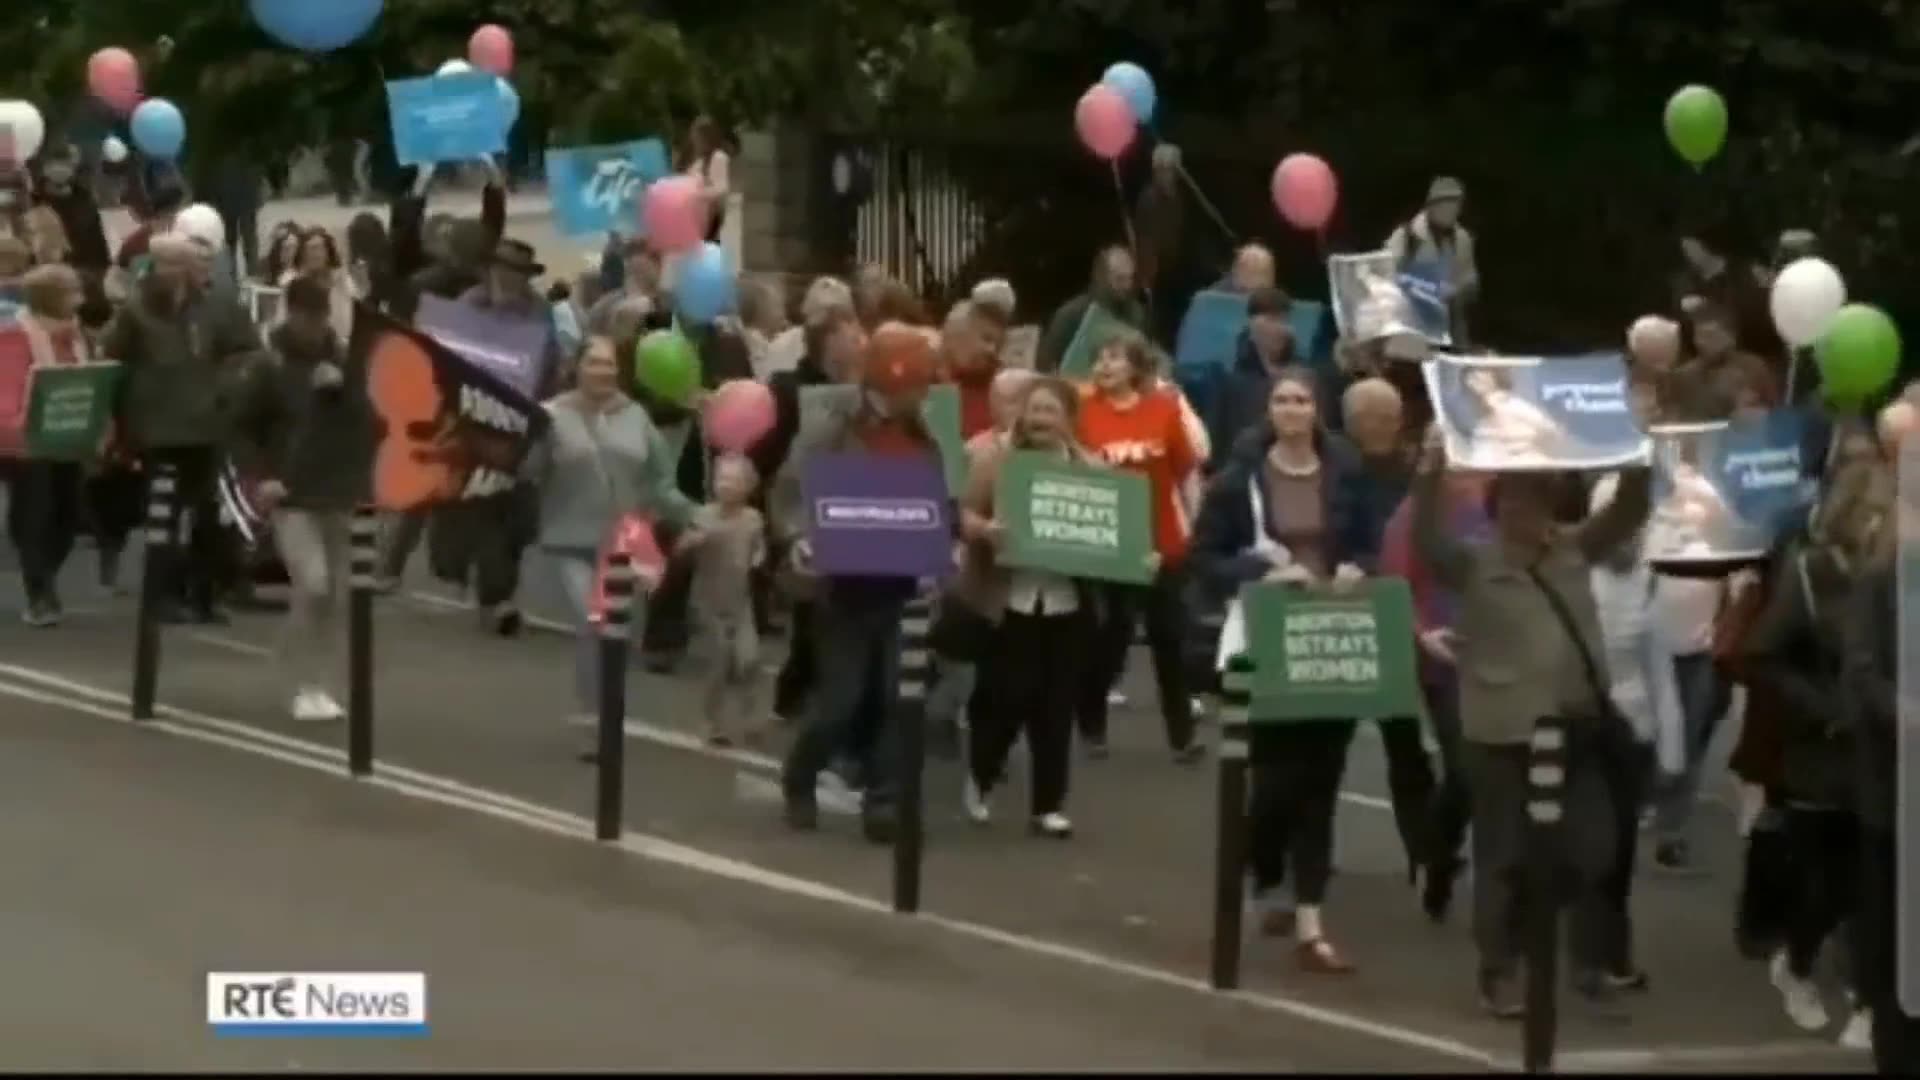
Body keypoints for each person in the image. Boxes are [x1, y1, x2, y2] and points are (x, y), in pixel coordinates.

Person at [1411, 422, 1652, 1018]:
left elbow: (1628, 511)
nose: (1530, 512)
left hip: (1578, 728)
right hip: (1502, 733)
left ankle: (1554, 937)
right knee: (1504, 854)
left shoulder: (1574, 547)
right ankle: (1500, 969)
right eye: (1518, 502)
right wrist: (1430, 471)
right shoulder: (1474, 563)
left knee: (1594, 849)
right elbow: (1426, 538)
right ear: (1497, 511)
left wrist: (1637, 457)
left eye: (1540, 501)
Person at [1188, 366, 1379, 972]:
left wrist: (1356, 568)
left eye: (1302, 399)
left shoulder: (1346, 470)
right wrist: (1262, 572)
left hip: (1333, 634)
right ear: (1268, 410)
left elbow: (1372, 542)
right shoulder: (1240, 477)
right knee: (1273, 783)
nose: (1292, 409)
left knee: (1322, 780)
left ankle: (1310, 922)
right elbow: (1204, 557)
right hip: (1269, 633)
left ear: (1317, 409)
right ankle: (1263, 874)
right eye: (1282, 399)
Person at [769, 322, 942, 842]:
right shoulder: (832, 431)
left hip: (900, 587)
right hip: (843, 589)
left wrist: (939, 552)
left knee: (897, 696)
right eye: (918, 384)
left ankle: (883, 799)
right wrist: (800, 536)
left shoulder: (923, 440)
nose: (925, 394)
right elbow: (791, 490)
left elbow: (934, 504)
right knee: (840, 701)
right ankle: (800, 778)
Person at [1741, 459, 1886, 1039]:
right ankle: (1796, 963)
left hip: (1877, 752)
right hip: (1820, 755)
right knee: (1825, 884)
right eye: (1875, 513)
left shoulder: (1896, 575)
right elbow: (1762, 654)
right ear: (1851, 514)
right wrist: (1821, 708)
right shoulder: (1809, 575)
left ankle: (1867, 994)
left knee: (1866, 881)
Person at [954, 376, 1104, 837]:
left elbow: (1112, 530)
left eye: (1050, 411)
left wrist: (1140, 555)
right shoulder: (995, 459)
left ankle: (1048, 805)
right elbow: (959, 512)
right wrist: (984, 530)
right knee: (1006, 700)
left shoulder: (1090, 468)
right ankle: (980, 779)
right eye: (1034, 410)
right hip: (1010, 601)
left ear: (1068, 420)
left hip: (1065, 604)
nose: (1040, 419)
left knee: (1057, 709)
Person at [522, 334, 694, 726]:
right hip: (568, 539)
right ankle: (591, 713)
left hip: (623, 545)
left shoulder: (636, 416)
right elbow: (527, 469)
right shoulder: (550, 416)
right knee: (593, 620)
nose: (603, 371)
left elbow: (660, 481)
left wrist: (694, 517)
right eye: (594, 363)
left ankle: (607, 707)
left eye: (610, 364)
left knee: (617, 633)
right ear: (577, 368)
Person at [227, 273, 372, 721]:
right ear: (290, 312)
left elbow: (368, 422)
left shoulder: (345, 359)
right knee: (312, 582)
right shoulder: (268, 364)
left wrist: (344, 390)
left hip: (336, 485)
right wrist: (261, 477)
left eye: (322, 314)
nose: (315, 324)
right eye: (307, 315)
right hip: (290, 489)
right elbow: (239, 427)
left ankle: (318, 683)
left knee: (334, 594)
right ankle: (296, 677)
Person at [101, 233, 263, 624]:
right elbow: (111, 355)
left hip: (207, 426)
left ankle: (204, 594)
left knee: (209, 516)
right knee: (164, 517)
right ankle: (162, 596)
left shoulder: (216, 307)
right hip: (158, 429)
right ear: (155, 266)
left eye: (188, 264)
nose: (181, 272)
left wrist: (228, 387)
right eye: (171, 264)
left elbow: (248, 352)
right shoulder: (137, 310)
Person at [1074, 331, 1202, 761]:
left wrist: (1192, 528)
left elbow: (1187, 473)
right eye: (1099, 359)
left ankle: (1182, 737)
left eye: (1114, 358)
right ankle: (1091, 720)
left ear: (1135, 366)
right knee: (1111, 637)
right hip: (1108, 548)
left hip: (1164, 542)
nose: (1104, 366)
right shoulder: (1082, 413)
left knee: (1170, 639)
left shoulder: (1163, 410)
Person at [1378, 447, 1489, 920]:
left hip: (1505, 656)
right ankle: (1438, 858)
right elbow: (1396, 581)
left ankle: (1441, 857)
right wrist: (1424, 634)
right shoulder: (1417, 510)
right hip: (1445, 659)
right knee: (1464, 770)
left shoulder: (1502, 495)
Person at [753, 304, 865, 725]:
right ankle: (800, 692)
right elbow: (771, 446)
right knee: (811, 607)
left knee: (831, 612)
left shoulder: (865, 388)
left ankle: (809, 691)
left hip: (850, 508)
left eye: (859, 336)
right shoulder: (789, 387)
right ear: (825, 342)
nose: (857, 343)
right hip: (798, 503)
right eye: (848, 335)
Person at [1843, 498, 1920, 1072]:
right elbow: (1863, 672)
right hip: (1893, 794)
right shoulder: (1880, 583)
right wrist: (1908, 717)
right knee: (1894, 939)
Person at [4, 263, 95, 625]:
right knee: (34, 515)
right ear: (51, 298)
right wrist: (21, 429)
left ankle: (46, 577)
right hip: (27, 443)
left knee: (67, 515)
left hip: (68, 438)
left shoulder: (76, 336)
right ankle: (39, 593)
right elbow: (7, 392)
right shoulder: (15, 335)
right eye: (73, 291)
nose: (81, 298)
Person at [678, 452, 767, 747]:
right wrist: (691, 543)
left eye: (734, 480)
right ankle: (711, 721)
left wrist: (758, 558)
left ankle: (751, 715)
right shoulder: (703, 516)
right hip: (708, 602)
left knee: (749, 658)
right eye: (721, 479)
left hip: (740, 602)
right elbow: (681, 550)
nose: (726, 485)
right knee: (719, 665)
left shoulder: (753, 519)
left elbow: (759, 547)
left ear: (749, 486)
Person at [1206, 286, 1299, 465]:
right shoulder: (1229, 377)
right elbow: (1217, 438)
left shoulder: (1302, 375)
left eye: (1283, 321)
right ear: (1251, 324)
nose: (1279, 328)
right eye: (1271, 320)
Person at [1385, 177, 1479, 345]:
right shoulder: (1407, 236)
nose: (1451, 210)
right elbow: (1384, 278)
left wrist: (1457, 291)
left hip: (1448, 330)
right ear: (1431, 206)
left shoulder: (1462, 238)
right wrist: (1421, 288)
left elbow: (1470, 282)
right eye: (1445, 204)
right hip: (1410, 327)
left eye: (1456, 205)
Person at [1038, 246, 1147, 373]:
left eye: (1130, 278)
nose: (1127, 286)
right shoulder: (1071, 314)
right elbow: (1046, 361)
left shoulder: (1135, 313)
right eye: (1119, 279)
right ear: (1101, 277)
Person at [586, 238, 670, 337]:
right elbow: (594, 345)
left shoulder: (670, 302)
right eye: (634, 270)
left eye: (657, 260)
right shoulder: (604, 309)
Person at [687, 116, 732, 245]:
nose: (695, 142)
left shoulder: (718, 158)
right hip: (695, 224)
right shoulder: (697, 164)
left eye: (698, 138)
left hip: (711, 223)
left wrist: (698, 194)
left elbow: (722, 189)